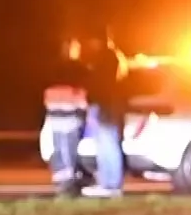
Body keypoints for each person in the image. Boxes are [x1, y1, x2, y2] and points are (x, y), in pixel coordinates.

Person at [78, 32, 128, 198]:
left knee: (107, 144)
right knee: (105, 144)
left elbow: (99, 83)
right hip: (106, 105)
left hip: (106, 105)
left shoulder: (105, 57)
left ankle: (111, 184)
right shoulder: (112, 57)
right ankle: (108, 183)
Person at [44, 37, 91, 192]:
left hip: (56, 111)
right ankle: (68, 179)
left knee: (59, 146)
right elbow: (84, 88)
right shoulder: (78, 67)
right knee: (69, 146)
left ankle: (62, 177)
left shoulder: (52, 67)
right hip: (70, 111)